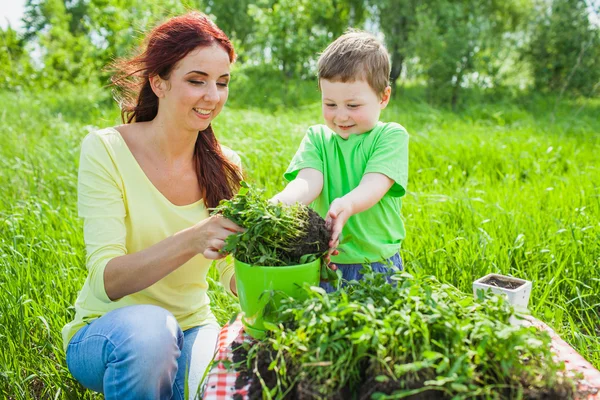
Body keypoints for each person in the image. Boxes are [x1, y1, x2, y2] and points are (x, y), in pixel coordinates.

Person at [62, 12, 244, 400]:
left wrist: (290, 270)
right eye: (197, 81)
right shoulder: (106, 149)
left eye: (222, 83)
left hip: (194, 328)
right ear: (158, 83)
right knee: (152, 333)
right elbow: (106, 280)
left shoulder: (226, 165)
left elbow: (233, 271)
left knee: (220, 382)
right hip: (109, 331)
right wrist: (193, 239)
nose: (212, 96)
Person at [271, 31, 409, 292]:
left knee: (379, 330)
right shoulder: (318, 138)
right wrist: (281, 204)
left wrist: (347, 204)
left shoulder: (390, 136)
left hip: (378, 264)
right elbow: (308, 182)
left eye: (353, 105)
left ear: (383, 97)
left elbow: (374, 185)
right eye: (330, 104)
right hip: (327, 263)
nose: (341, 116)